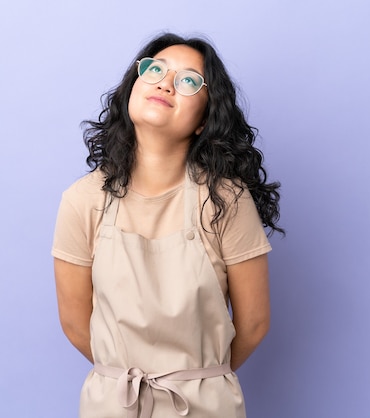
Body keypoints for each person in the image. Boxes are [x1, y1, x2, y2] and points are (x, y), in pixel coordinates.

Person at [52, 32, 283, 418]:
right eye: (156, 69)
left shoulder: (226, 199)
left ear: (204, 120)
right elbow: (76, 324)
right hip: (114, 405)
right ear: (133, 88)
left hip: (208, 407)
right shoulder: (83, 200)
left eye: (189, 80)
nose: (165, 82)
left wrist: (198, 381)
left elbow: (255, 323)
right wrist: (127, 379)